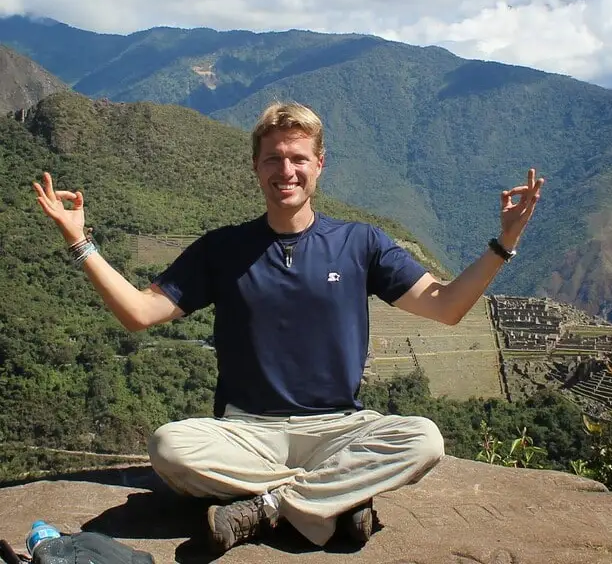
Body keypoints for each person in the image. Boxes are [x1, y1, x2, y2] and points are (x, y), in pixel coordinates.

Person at [32, 101, 545, 554]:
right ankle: (335, 502)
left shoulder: (360, 244)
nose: (287, 170)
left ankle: (267, 507)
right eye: (274, 158)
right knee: (169, 446)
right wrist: (80, 242)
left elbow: (447, 306)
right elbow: (140, 313)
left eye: (299, 158)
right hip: (245, 430)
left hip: (338, 428)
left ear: (319, 165)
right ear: (256, 167)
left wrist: (504, 241)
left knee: (423, 438)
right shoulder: (222, 249)